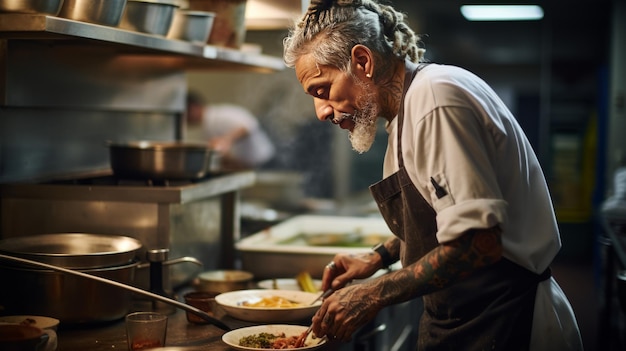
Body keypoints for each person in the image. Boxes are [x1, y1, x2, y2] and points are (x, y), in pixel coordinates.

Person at [283, 0, 584, 350]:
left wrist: (373, 293)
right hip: (470, 319)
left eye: (322, 90)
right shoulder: (408, 111)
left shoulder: (435, 99)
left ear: (362, 62)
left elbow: (478, 242)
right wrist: (379, 257)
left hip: (507, 319)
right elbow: (445, 217)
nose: (320, 112)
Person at [185, 91, 275, 170]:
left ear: (194, 108)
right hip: (249, 167)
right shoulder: (206, 127)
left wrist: (226, 140)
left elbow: (249, 125)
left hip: (265, 164)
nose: (185, 120)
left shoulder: (220, 115)